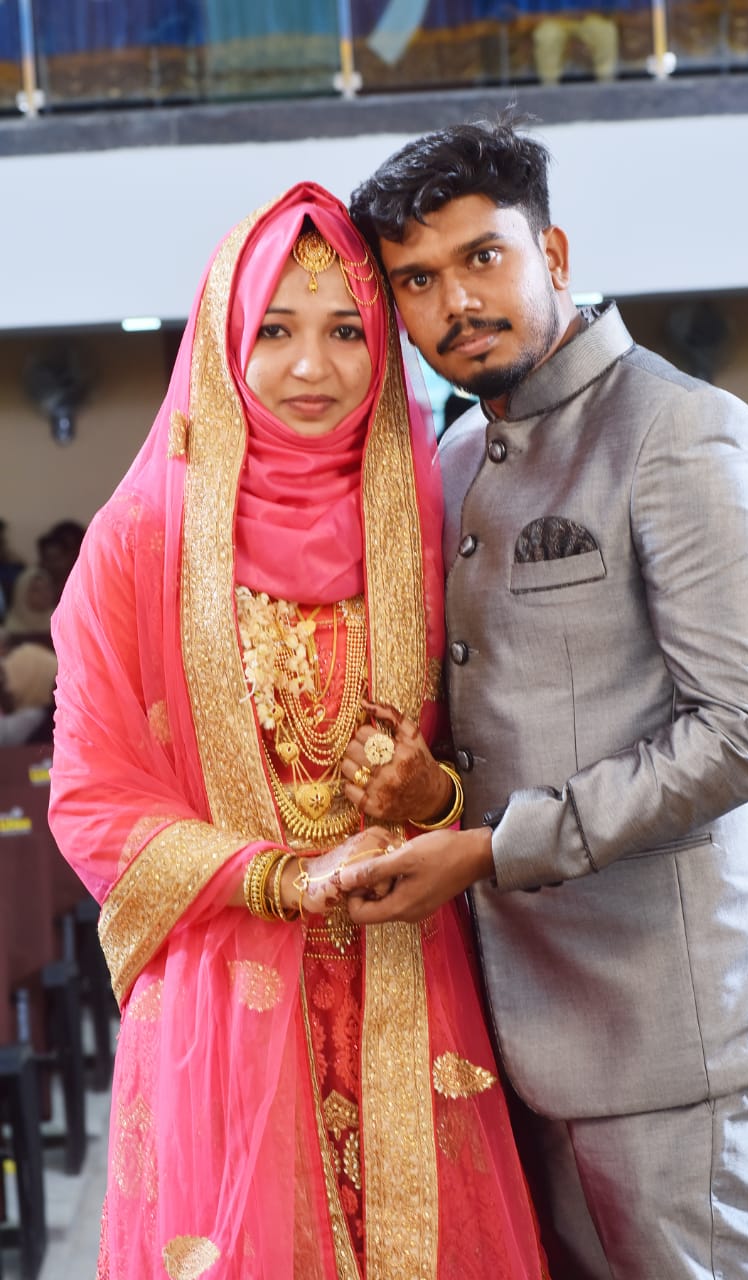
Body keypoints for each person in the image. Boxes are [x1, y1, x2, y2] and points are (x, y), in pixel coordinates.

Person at [344, 117, 748, 1278]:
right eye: (417, 280)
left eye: (481, 257)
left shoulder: (680, 428)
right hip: (517, 1029)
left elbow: (744, 731)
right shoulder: (457, 460)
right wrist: (431, 794)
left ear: (551, 252)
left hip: (675, 1036)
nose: (456, 301)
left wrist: (487, 849)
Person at [47, 183, 548, 1278]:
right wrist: (279, 876)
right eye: (274, 330)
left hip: (411, 973)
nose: (311, 367)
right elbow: (91, 797)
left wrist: (431, 798)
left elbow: (501, 751)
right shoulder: (140, 541)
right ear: (224, 339)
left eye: (345, 331)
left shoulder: (433, 519)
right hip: (225, 995)